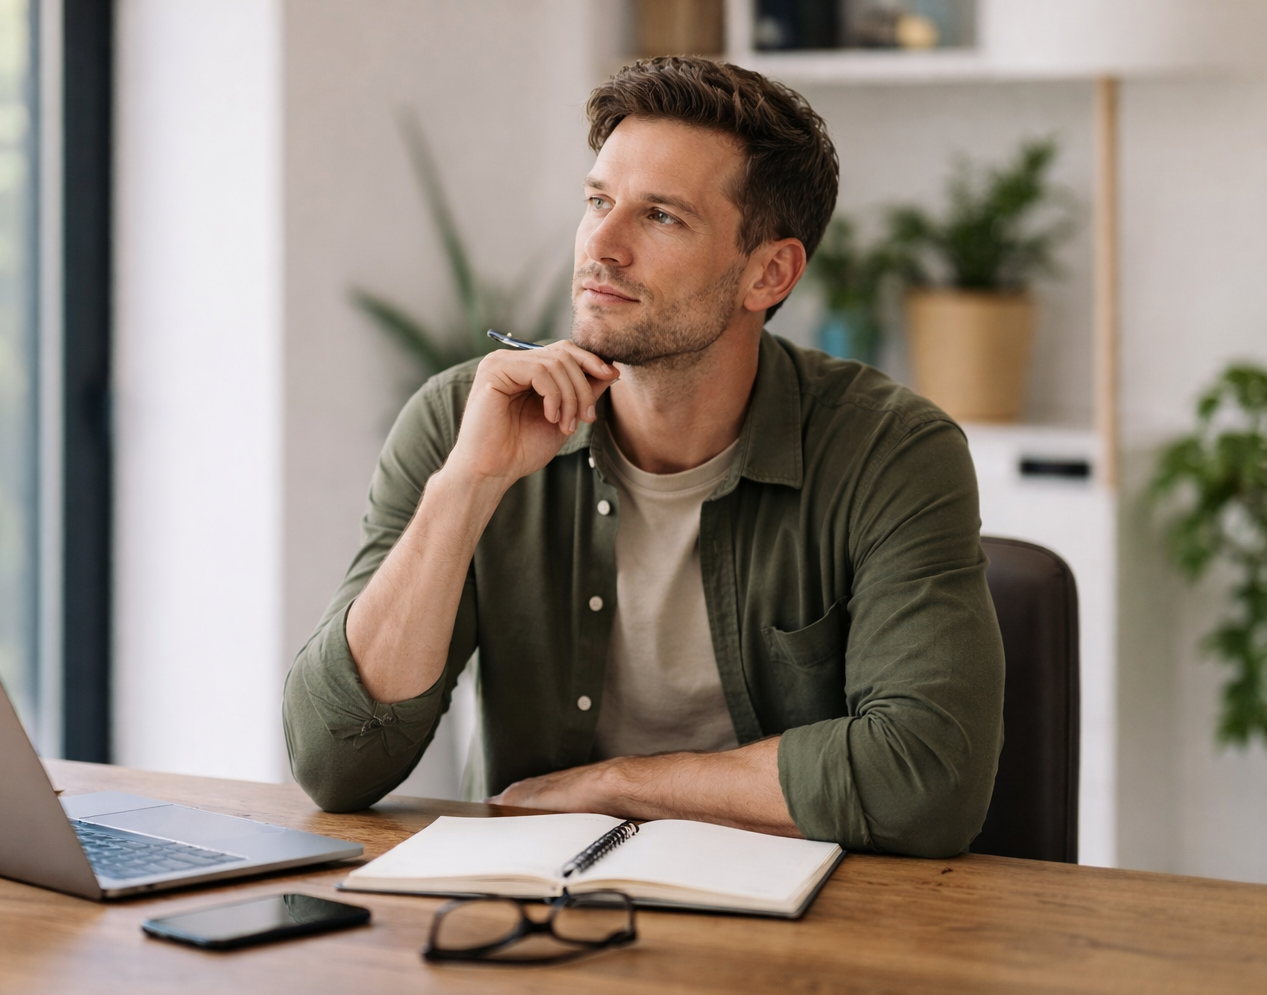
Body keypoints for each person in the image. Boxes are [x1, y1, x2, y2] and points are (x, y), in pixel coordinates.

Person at [283, 57, 1004, 858]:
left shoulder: (891, 452)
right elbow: (335, 760)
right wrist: (469, 484)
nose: (602, 246)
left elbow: (926, 779)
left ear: (769, 272)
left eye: (661, 216)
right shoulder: (465, 420)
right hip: (532, 907)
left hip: (805, 918)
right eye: (598, 201)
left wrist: (619, 787)